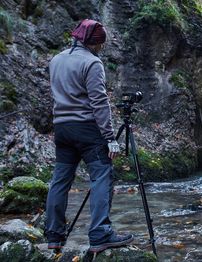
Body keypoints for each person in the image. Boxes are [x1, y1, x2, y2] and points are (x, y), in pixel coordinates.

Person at [45, 19, 133, 252]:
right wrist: (110, 137)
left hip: (62, 129)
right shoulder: (92, 63)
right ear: (93, 43)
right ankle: (100, 233)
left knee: (60, 181)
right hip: (87, 129)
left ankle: (54, 234)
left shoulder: (56, 60)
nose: (102, 48)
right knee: (102, 175)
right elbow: (99, 102)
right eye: (101, 44)